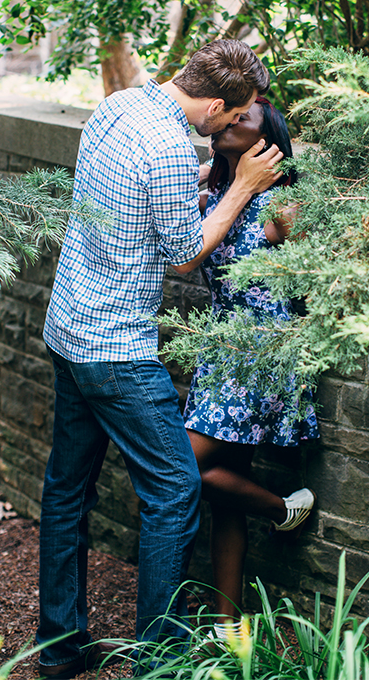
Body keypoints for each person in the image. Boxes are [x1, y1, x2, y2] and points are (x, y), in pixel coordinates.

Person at [38, 39, 284, 678]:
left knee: (67, 492)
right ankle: (161, 662)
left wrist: (199, 182)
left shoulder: (117, 107)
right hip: (116, 350)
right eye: (231, 117)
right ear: (213, 103)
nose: (230, 127)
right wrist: (244, 188)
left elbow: (125, 195)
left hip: (68, 328)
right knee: (175, 488)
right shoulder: (173, 146)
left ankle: (59, 649)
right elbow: (185, 252)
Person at [183, 96, 318, 640]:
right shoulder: (207, 187)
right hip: (220, 347)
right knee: (222, 488)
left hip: (258, 352)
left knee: (181, 468)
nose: (229, 122)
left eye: (245, 119)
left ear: (265, 141)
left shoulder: (281, 204)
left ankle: (283, 506)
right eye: (229, 115)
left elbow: (306, 272)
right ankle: (227, 627)